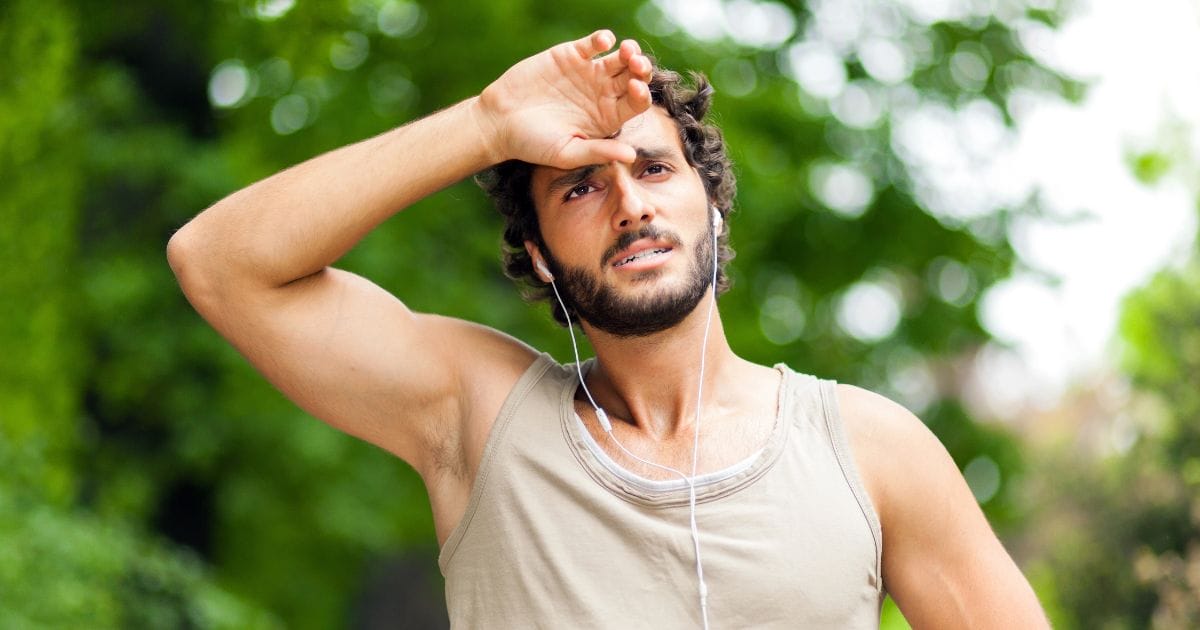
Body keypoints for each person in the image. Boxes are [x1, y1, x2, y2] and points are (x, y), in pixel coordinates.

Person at [168, 29, 1049, 628]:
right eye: (581, 185)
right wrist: (484, 124)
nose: (629, 203)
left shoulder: (873, 449)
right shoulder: (475, 415)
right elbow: (219, 263)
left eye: (655, 168)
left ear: (713, 209)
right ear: (541, 254)